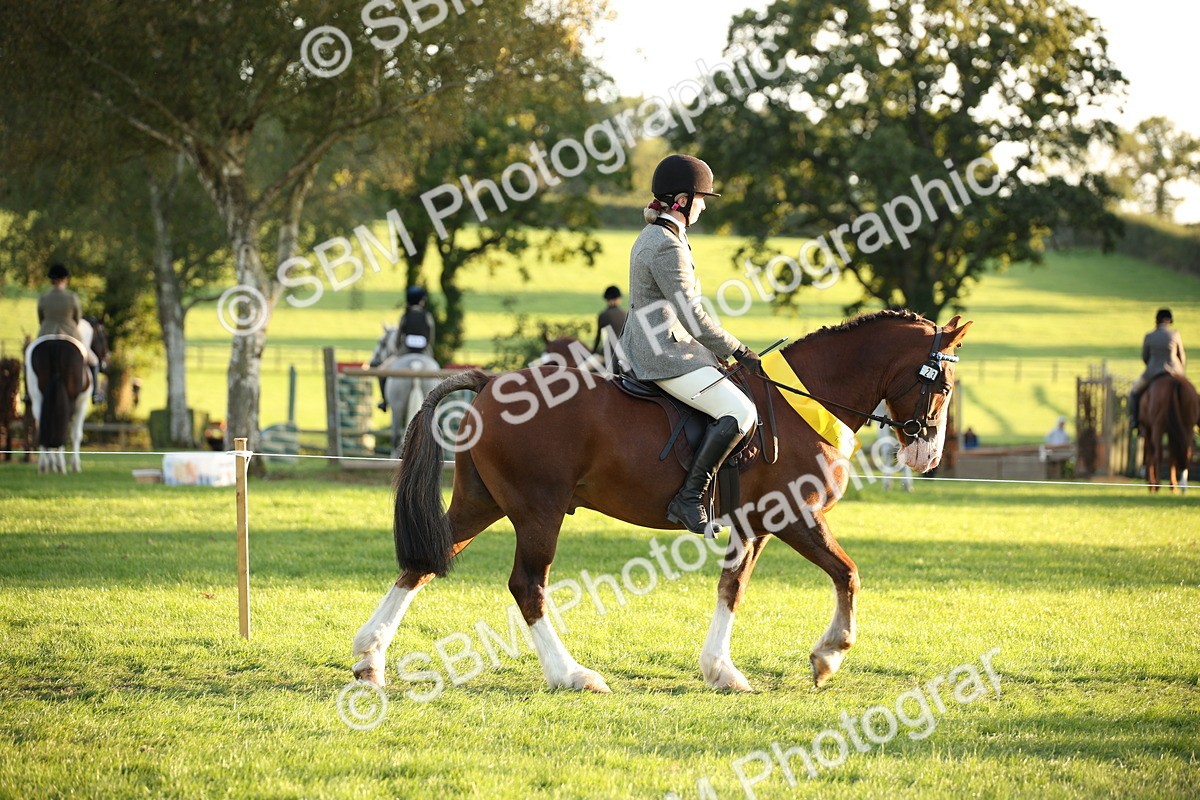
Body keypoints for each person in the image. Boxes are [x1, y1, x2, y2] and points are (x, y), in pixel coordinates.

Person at [619, 154, 762, 537]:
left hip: (659, 343)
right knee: (741, 411)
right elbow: (694, 318)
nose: (703, 205)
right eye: (700, 198)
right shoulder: (667, 245)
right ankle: (689, 498)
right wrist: (739, 350)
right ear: (681, 200)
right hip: (663, 354)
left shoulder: (660, 235)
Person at [36, 263, 100, 403]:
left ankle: (29, 394)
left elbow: (41, 319)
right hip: (70, 335)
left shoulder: (43, 298)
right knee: (94, 361)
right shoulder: (72, 297)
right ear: (65, 279)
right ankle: (96, 392)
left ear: (51, 280)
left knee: (29, 361)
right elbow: (77, 319)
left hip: (45, 334)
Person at [378, 286, 437, 411]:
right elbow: (431, 337)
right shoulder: (427, 316)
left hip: (405, 351)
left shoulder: (405, 316)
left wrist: (397, 351)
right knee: (437, 373)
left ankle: (384, 401)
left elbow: (399, 337)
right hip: (425, 352)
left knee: (381, 370)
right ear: (422, 301)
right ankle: (439, 403)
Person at [1129, 308, 1187, 430]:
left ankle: (1134, 421)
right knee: (1191, 392)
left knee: (1134, 392)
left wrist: (1152, 365)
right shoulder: (1175, 334)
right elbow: (1181, 357)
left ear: (1156, 320)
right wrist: (1180, 371)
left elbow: (1145, 357)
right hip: (1175, 371)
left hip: (1153, 371)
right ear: (1170, 321)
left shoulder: (1149, 336)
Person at [592, 285, 628, 355]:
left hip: (608, 353)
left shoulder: (603, 315)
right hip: (624, 352)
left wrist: (593, 352)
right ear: (619, 299)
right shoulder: (625, 314)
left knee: (584, 366)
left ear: (607, 300)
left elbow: (598, 337)